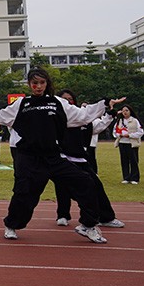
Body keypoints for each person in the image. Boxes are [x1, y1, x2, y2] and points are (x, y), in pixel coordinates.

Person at [0, 68, 124, 244]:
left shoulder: (58, 102)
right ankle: (12, 225)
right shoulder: (22, 103)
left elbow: (82, 115)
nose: (38, 86)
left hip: (53, 157)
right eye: (35, 83)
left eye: (42, 83)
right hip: (29, 158)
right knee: (24, 194)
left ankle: (88, 225)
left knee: (86, 182)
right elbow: (0, 115)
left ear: (47, 83)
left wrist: (104, 104)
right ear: (29, 84)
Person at [53, 89, 124, 229]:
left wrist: (109, 112)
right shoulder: (55, 118)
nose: (68, 101)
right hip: (62, 159)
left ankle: (104, 217)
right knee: (62, 188)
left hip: (81, 160)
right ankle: (63, 215)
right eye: (64, 99)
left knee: (95, 187)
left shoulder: (82, 117)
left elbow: (97, 126)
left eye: (70, 99)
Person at [113, 105, 142, 184]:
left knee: (134, 161)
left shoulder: (135, 120)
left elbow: (140, 132)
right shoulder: (119, 121)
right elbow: (115, 132)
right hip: (122, 143)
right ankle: (126, 177)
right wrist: (119, 135)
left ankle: (134, 178)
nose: (125, 112)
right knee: (124, 161)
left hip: (131, 144)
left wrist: (130, 135)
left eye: (126, 110)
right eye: (123, 111)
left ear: (130, 111)